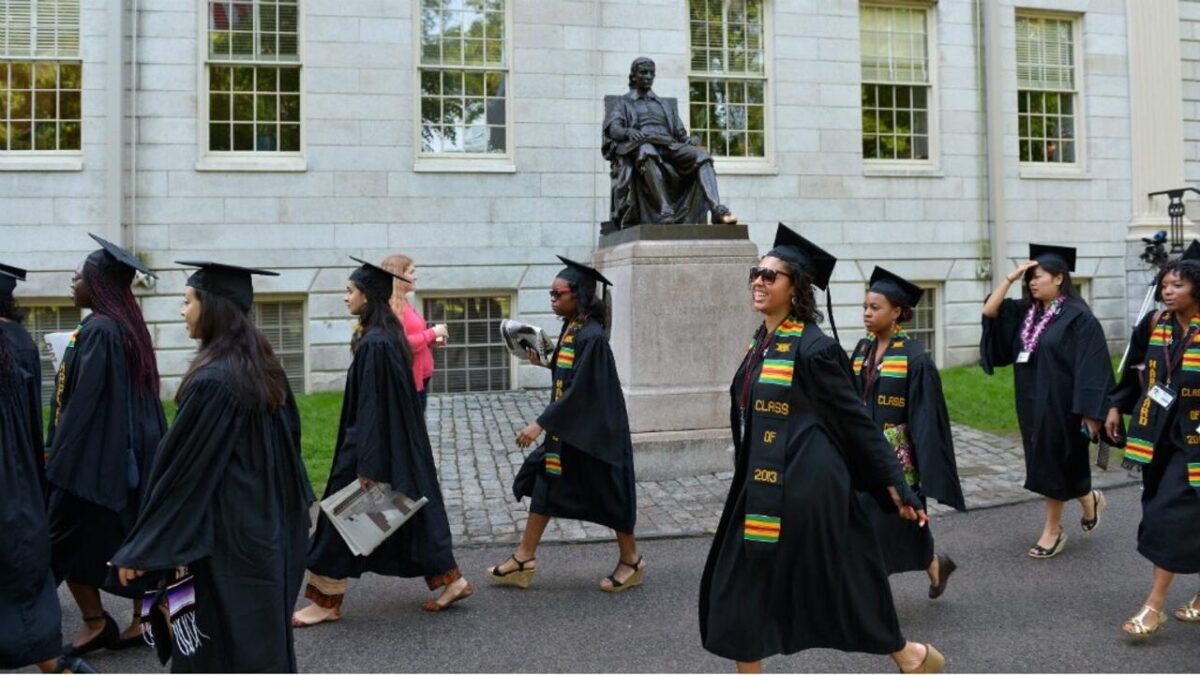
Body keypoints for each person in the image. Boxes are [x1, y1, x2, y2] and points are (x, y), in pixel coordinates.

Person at [699, 224, 944, 674]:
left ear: (795, 288)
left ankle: (907, 653)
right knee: (748, 589)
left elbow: (856, 422)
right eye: (756, 273)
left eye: (770, 275)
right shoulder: (763, 342)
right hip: (765, 482)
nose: (758, 281)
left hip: (806, 488)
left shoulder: (816, 349)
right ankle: (909, 656)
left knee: (829, 578)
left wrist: (895, 484)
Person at [111, 262, 315, 671]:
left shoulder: (214, 381)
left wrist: (143, 546)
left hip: (225, 539)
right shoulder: (262, 365)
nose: (182, 311)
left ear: (213, 307)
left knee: (218, 646)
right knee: (260, 642)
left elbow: (181, 474)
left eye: (188, 301)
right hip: (267, 528)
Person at [293, 257, 472, 627]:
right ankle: (451, 580)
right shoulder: (384, 334)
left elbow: (373, 408)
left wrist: (369, 465)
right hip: (393, 443)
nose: (345, 297)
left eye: (350, 291)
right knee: (411, 512)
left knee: (338, 518)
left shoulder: (376, 343)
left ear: (368, 296)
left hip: (369, 446)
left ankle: (326, 601)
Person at [487, 256, 642, 592]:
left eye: (558, 294)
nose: (552, 299)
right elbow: (571, 372)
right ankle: (524, 557)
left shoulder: (592, 336)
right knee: (547, 481)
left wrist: (540, 424)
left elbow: (582, 389)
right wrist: (546, 362)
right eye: (551, 294)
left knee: (611, 493)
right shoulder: (573, 328)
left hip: (595, 433)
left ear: (579, 295)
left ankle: (631, 560)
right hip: (572, 429)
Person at [46, 234, 167, 656]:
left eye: (78, 276)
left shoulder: (99, 329)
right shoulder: (127, 325)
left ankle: (96, 622)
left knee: (62, 536)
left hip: (100, 455)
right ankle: (142, 619)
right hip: (136, 447)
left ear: (97, 282)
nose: (72, 282)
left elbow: (84, 403)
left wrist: (59, 456)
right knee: (131, 532)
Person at [981, 244, 1112, 559]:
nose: (1032, 283)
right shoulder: (1029, 312)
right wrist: (1010, 279)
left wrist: (1090, 412)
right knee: (1053, 461)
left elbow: (1092, 365)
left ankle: (1053, 531)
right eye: (1030, 279)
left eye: (1037, 277)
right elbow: (990, 312)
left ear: (1059, 278)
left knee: (1052, 463)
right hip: (1030, 400)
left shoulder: (1079, 317)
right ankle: (1089, 499)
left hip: (1064, 404)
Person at [0, 266, 93, 674]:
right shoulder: (20, 339)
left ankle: (57, 664)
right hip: (21, 472)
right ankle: (56, 663)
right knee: (23, 572)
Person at [851, 267, 966, 597]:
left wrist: (925, 473)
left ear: (897, 312)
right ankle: (935, 566)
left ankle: (872, 601)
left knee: (886, 527)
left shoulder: (915, 358)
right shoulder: (862, 349)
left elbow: (926, 419)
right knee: (878, 526)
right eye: (865, 307)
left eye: (875, 308)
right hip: (864, 458)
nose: (867, 313)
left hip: (898, 462)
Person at [1104, 254, 1200, 638]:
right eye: (1164, 285)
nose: (1168, 291)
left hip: (1194, 441)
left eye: (1178, 285)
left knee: (1168, 515)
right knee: (1177, 512)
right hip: (1159, 435)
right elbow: (1135, 368)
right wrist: (1115, 405)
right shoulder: (1155, 323)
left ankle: (1154, 605)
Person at [603, 56, 737, 227]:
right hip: (643, 145)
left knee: (703, 155)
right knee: (646, 150)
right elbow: (613, 128)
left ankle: (716, 209)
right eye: (643, 72)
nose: (648, 76)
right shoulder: (624, 103)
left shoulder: (664, 104)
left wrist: (690, 140)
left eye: (651, 73)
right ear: (633, 76)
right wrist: (628, 132)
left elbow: (680, 134)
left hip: (669, 146)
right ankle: (665, 210)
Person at [380, 253, 448, 413]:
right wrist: (433, 332)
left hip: (421, 378)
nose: (415, 276)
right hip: (410, 383)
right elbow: (401, 344)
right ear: (398, 276)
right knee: (414, 426)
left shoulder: (404, 302)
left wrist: (433, 340)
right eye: (411, 272)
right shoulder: (393, 307)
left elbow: (416, 337)